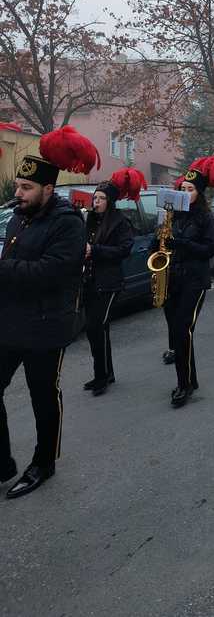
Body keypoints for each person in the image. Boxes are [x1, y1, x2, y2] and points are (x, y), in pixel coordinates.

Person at [0, 126, 97, 498]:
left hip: (46, 324)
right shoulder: (18, 217)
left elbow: (49, 272)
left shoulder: (68, 223)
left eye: (26, 188)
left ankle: (44, 462)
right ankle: (3, 463)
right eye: (18, 186)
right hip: (10, 320)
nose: (17, 193)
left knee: (43, 395)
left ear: (48, 190)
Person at [155, 156, 214, 407]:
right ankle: (189, 380)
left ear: (199, 193)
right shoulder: (170, 215)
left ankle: (184, 384)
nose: (185, 192)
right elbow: (157, 243)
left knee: (183, 330)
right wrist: (157, 243)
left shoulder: (205, 217)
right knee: (176, 331)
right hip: (172, 278)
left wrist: (181, 243)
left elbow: (208, 250)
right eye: (182, 188)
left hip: (195, 279)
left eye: (190, 190)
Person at [82, 169, 139, 396]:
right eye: (95, 198)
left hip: (109, 282)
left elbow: (124, 250)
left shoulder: (120, 222)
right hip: (90, 280)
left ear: (110, 201)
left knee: (95, 327)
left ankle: (101, 376)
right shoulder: (89, 221)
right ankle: (106, 373)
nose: (96, 202)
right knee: (98, 329)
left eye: (101, 198)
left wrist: (94, 250)